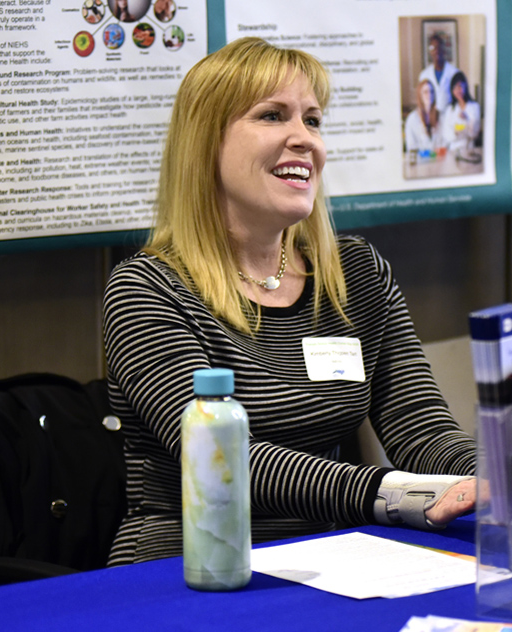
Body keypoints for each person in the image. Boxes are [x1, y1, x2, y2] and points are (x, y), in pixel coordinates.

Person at [102, 37, 477, 566]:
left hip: (331, 560)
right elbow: (228, 461)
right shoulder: (147, 289)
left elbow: (423, 430)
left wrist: (494, 480)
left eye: (314, 121)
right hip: (188, 566)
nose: (304, 140)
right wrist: (396, 495)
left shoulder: (355, 273)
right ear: (205, 143)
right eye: (273, 116)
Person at [441, 71, 482, 151]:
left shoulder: (474, 107)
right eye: (455, 88)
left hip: (469, 149)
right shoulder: (450, 109)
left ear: (465, 86)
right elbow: (446, 134)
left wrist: (467, 119)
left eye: (460, 86)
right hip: (453, 150)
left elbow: (474, 134)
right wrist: (456, 133)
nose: (458, 91)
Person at [418, 34, 458, 116]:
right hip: (431, 117)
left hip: (450, 117)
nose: (436, 50)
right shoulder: (424, 75)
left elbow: (459, 99)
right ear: (430, 51)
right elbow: (421, 100)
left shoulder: (454, 73)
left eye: (439, 47)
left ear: (444, 50)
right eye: (433, 48)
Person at [404, 78, 441, 156]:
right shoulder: (412, 119)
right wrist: (429, 154)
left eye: (431, 92)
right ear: (420, 95)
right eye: (425, 92)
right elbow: (411, 148)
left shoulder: (440, 115)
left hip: (438, 161)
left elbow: (444, 143)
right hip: (421, 164)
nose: (429, 95)